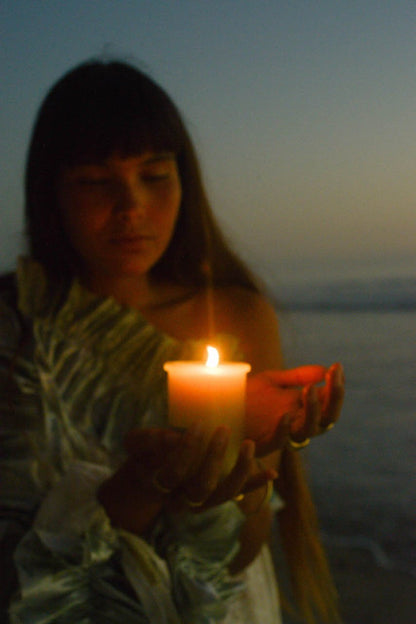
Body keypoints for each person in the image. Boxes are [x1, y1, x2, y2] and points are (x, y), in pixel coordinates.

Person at [0, 59, 344, 624]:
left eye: (154, 175)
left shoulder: (236, 316)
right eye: (93, 181)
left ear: (185, 179)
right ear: (50, 191)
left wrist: (244, 455)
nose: (131, 206)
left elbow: (241, 552)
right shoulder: (18, 324)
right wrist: (142, 485)